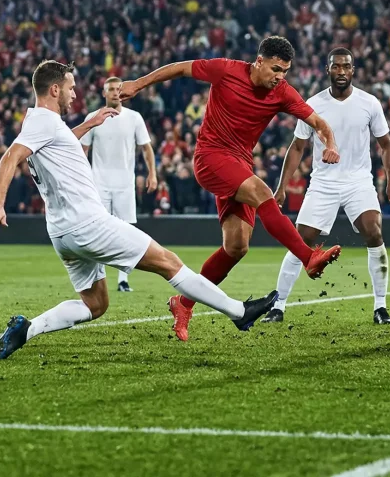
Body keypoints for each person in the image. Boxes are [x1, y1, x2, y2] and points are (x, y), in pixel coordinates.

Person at [0, 61, 277, 359]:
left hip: (62, 232)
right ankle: (239, 312)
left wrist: (88, 125)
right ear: (54, 90)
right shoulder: (43, 122)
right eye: (70, 88)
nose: (74, 94)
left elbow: (59, 142)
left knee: (96, 304)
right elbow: (10, 156)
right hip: (88, 224)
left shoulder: (43, 123)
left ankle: (26, 329)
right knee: (169, 262)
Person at [119, 35, 343, 341]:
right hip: (210, 157)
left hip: (240, 166)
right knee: (263, 193)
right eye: (276, 69)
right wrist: (138, 83)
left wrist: (330, 143)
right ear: (259, 61)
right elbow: (180, 68)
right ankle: (308, 257)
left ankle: (183, 303)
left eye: (285, 71)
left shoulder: (282, 92)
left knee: (236, 246)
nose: (280, 77)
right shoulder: (225, 70)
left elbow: (319, 123)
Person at [265, 49, 390, 325]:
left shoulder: (369, 103)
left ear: (353, 70)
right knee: (300, 241)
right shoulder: (313, 104)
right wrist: (281, 187)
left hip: (358, 181)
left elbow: (386, 144)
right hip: (323, 182)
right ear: (327, 69)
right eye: (336, 66)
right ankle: (277, 307)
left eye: (346, 67)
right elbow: (298, 147)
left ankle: (380, 307)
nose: (341, 71)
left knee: (374, 232)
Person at [80, 76, 156, 293]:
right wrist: (82, 179)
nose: (115, 92)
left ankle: (123, 280)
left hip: (125, 184)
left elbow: (146, 148)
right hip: (98, 183)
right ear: (104, 93)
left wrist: (152, 173)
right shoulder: (93, 118)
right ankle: (97, 279)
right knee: (97, 230)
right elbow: (83, 151)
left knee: (126, 231)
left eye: (118, 89)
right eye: (111, 89)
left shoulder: (134, 118)